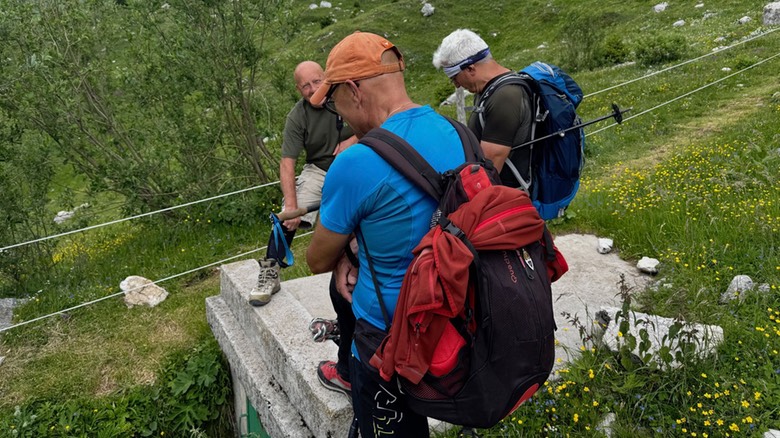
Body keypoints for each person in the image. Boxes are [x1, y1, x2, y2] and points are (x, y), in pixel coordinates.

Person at [306, 31, 467, 437]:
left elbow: (317, 259)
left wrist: (344, 254)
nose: (337, 114)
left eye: (334, 101)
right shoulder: (459, 133)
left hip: (387, 338)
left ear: (355, 90)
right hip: (454, 317)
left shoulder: (358, 161)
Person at [249, 60, 356, 307]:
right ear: (299, 89)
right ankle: (270, 273)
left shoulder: (346, 95)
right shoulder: (297, 116)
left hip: (355, 161)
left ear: (326, 78)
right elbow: (287, 163)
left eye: (316, 82)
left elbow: (378, 121)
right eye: (305, 85)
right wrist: (292, 207)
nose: (311, 89)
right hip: (319, 169)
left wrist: (353, 141)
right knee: (286, 215)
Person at [432, 29, 534, 189]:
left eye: (454, 78)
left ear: (471, 69)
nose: (456, 85)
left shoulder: (505, 97)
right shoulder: (489, 89)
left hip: (508, 199)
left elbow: (487, 172)